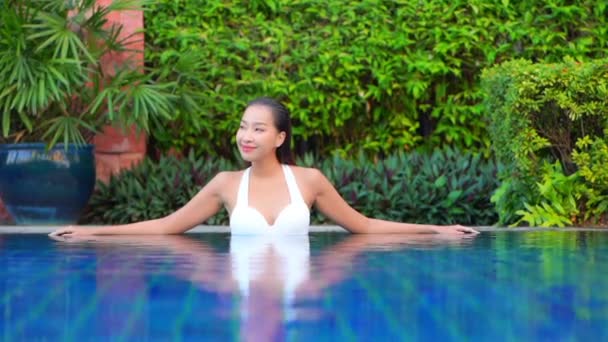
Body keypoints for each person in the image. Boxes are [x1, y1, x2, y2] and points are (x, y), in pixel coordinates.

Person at [50, 97, 479, 237]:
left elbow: (363, 226)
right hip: (244, 285)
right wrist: (93, 230)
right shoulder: (226, 184)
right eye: (242, 127)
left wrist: (436, 231)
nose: (245, 136)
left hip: (299, 297)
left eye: (257, 129)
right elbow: (166, 226)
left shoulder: (309, 181)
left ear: (280, 138)